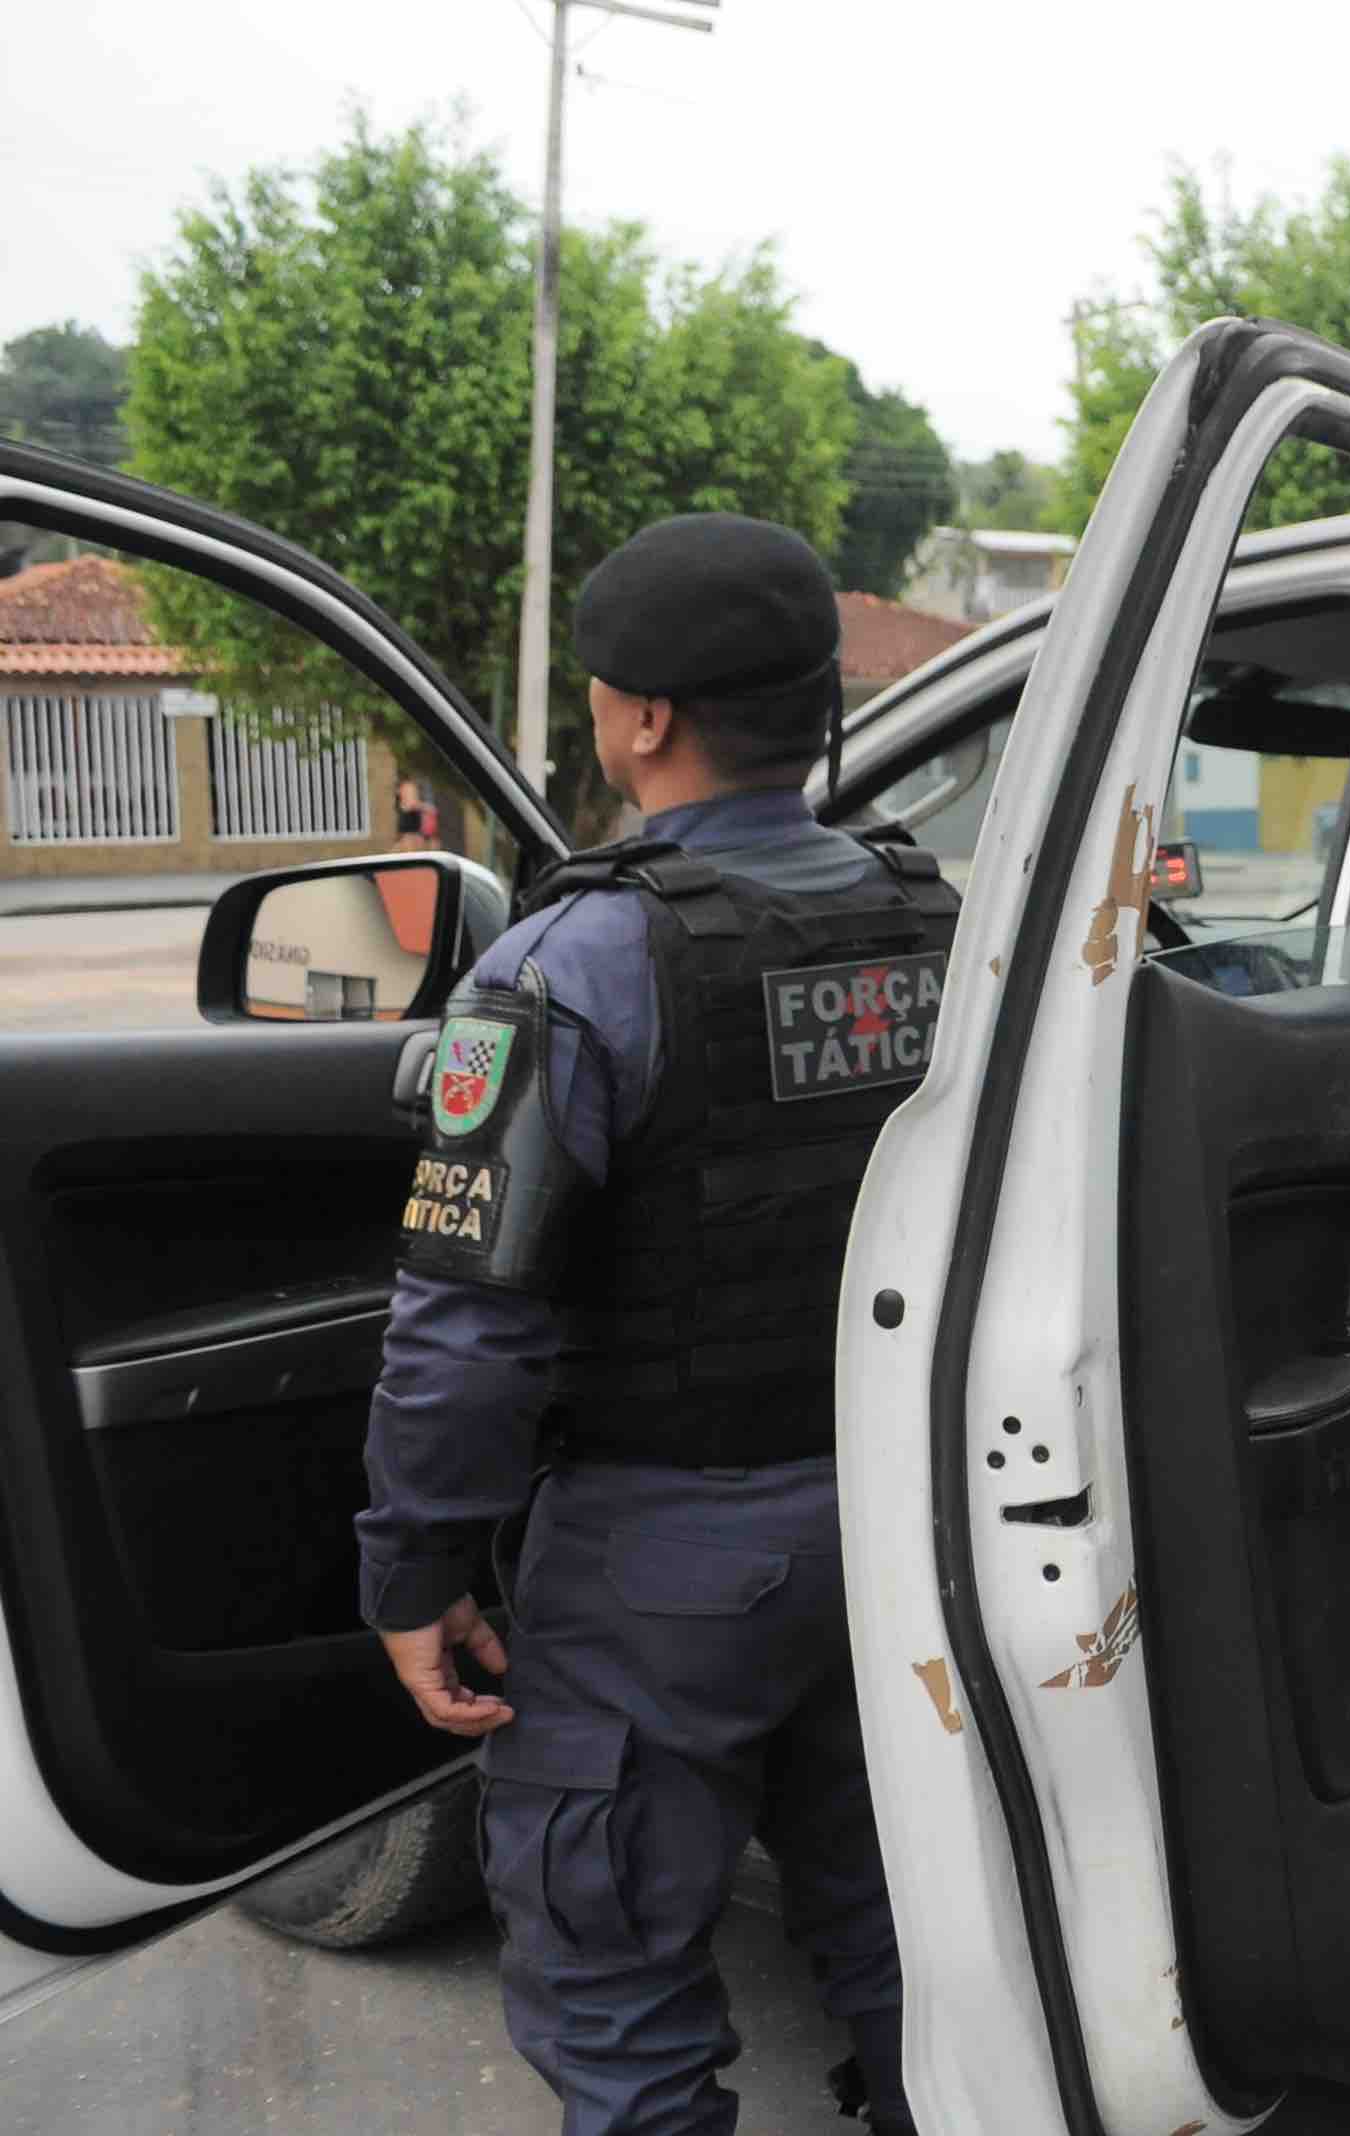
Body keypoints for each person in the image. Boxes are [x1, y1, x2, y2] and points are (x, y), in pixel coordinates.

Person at [356, 514, 956, 2134]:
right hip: (910, 1522)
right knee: (905, 1934)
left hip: (660, 1566)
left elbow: (462, 1336)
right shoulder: (944, 926)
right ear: (820, 706)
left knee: (614, 1974)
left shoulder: (576, 961)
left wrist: (415, 1571)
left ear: (639, 722)